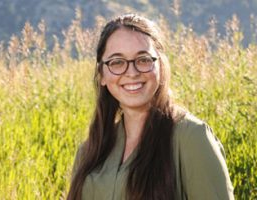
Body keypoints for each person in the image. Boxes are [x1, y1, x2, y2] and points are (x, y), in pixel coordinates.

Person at [67, 14, 234, 200]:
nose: (132, 72)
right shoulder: (89, 150)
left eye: (143, 59)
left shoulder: (192, 138)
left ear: (160, 66)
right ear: (102, 74)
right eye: (117, 62)